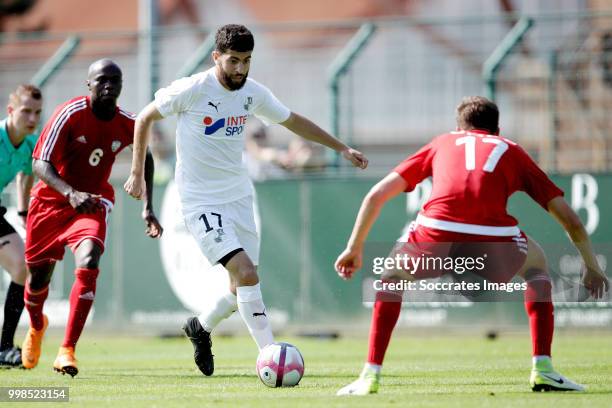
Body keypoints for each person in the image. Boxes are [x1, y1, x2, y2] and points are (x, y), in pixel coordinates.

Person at [124, 24, 368, 376]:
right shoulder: (192, 89)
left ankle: (200, 328)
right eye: (234, 61)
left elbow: (293, 121)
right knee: (247, 273)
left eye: (247, 60)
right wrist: (135, 173)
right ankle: (271, 356)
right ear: (216, 57)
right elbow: (144, 117)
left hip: (239, 196)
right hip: (199, 201)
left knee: (241, 287)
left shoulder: (252, 93)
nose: (240, 69)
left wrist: (341, 147)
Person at [334, 96, 609, 395]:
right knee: (537, 265)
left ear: (458, 127)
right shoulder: (511, 150)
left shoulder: (442, 143)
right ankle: (543, 368)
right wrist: (591, 266)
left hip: (436, 234)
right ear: (497, 129)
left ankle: (369, 375)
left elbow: (376, 195)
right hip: (496, 244)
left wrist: (354, 247)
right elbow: (571, 220)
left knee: (391, 277)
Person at [20, 59, 163, 377]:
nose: (109, 85)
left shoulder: (129, 123)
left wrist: (147, 206)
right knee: (38, 279)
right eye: (102, 80)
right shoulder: (70, 113)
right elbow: (39, 164)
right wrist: (70, 192)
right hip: (48, 204)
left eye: (115, 80)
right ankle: (36, 326)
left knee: (90, 259)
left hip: (92, 205)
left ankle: (67, 350)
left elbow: (147, 155)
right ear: (89, 84)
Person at [0, 85, 42, 367]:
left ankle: (4, 348)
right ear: (11, 111)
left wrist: (24, 212)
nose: (32, 118)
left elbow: (25, 176)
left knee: (21, 267)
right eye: (26, 111)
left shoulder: (29, 143)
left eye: (37, 112)